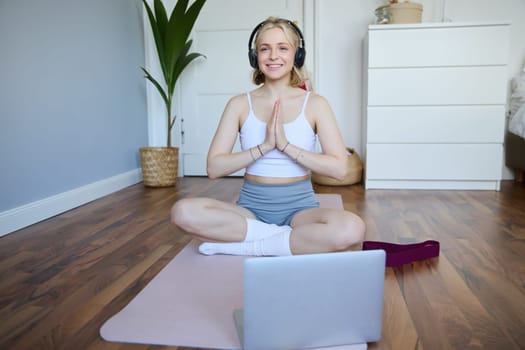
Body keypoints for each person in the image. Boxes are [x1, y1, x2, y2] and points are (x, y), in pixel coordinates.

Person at [171, 17, 365, 256]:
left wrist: (286, 146)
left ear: (297, 55)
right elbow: (214, 167)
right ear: (255, 57)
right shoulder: (239, 104)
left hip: (301, 211)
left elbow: (339, 169)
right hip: (250, 211)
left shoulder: (315, 104)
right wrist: (264, 147)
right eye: (265, 49)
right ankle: (284, 243)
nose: (273, 56)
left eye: (283, 48)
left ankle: (254, 245)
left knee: (351, 229)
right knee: (182, 212)